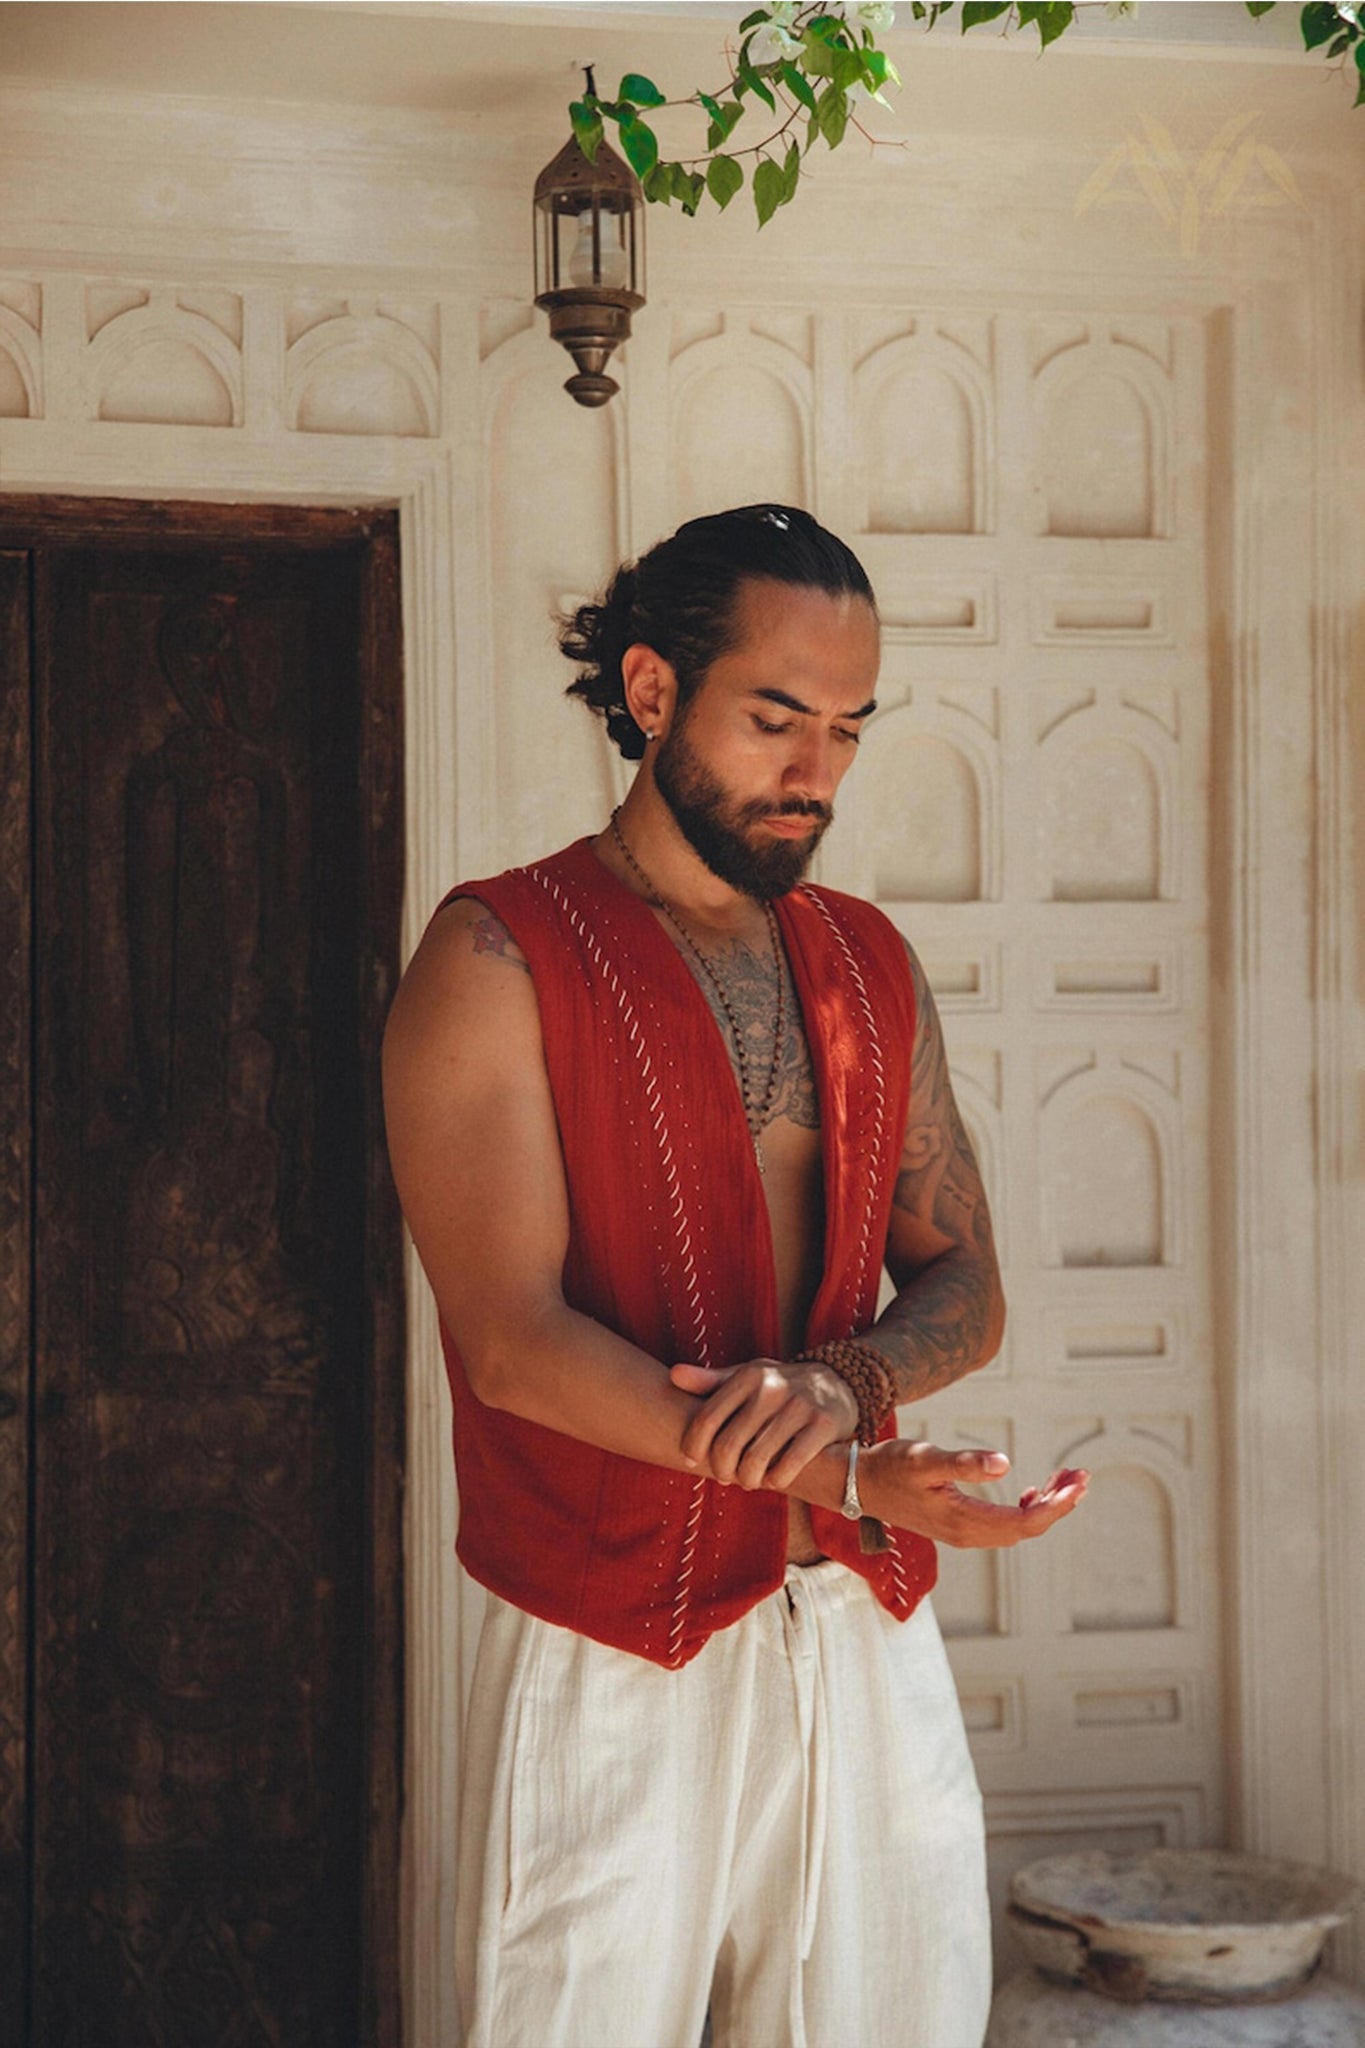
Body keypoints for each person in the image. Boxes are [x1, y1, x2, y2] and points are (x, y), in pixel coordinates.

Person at [382, 504, 1088, 2048]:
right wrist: (850, 1469)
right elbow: (510, 1343)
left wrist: (847, 1388)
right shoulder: (498, 956)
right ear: (650, 690)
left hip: (861, 1619)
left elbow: (963, 1278)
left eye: (847, 728)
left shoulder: (867, 964)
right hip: (608, 1635)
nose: (815, 771)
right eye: (775, 719)